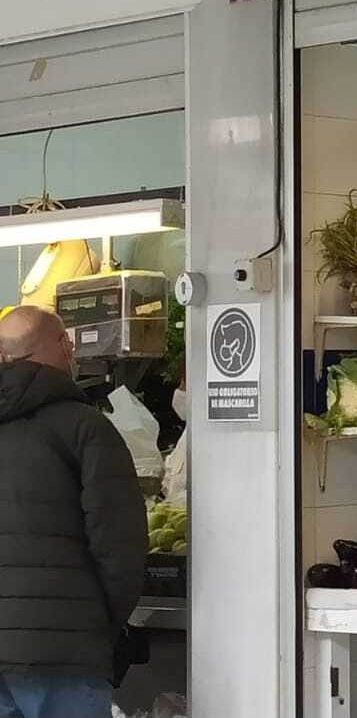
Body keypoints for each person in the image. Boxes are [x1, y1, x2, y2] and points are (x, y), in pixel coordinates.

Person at [0, 306, 146, 718]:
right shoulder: (86, 428)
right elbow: (121, 546)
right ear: (64, 346)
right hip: (66, 655)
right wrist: (100, 624)